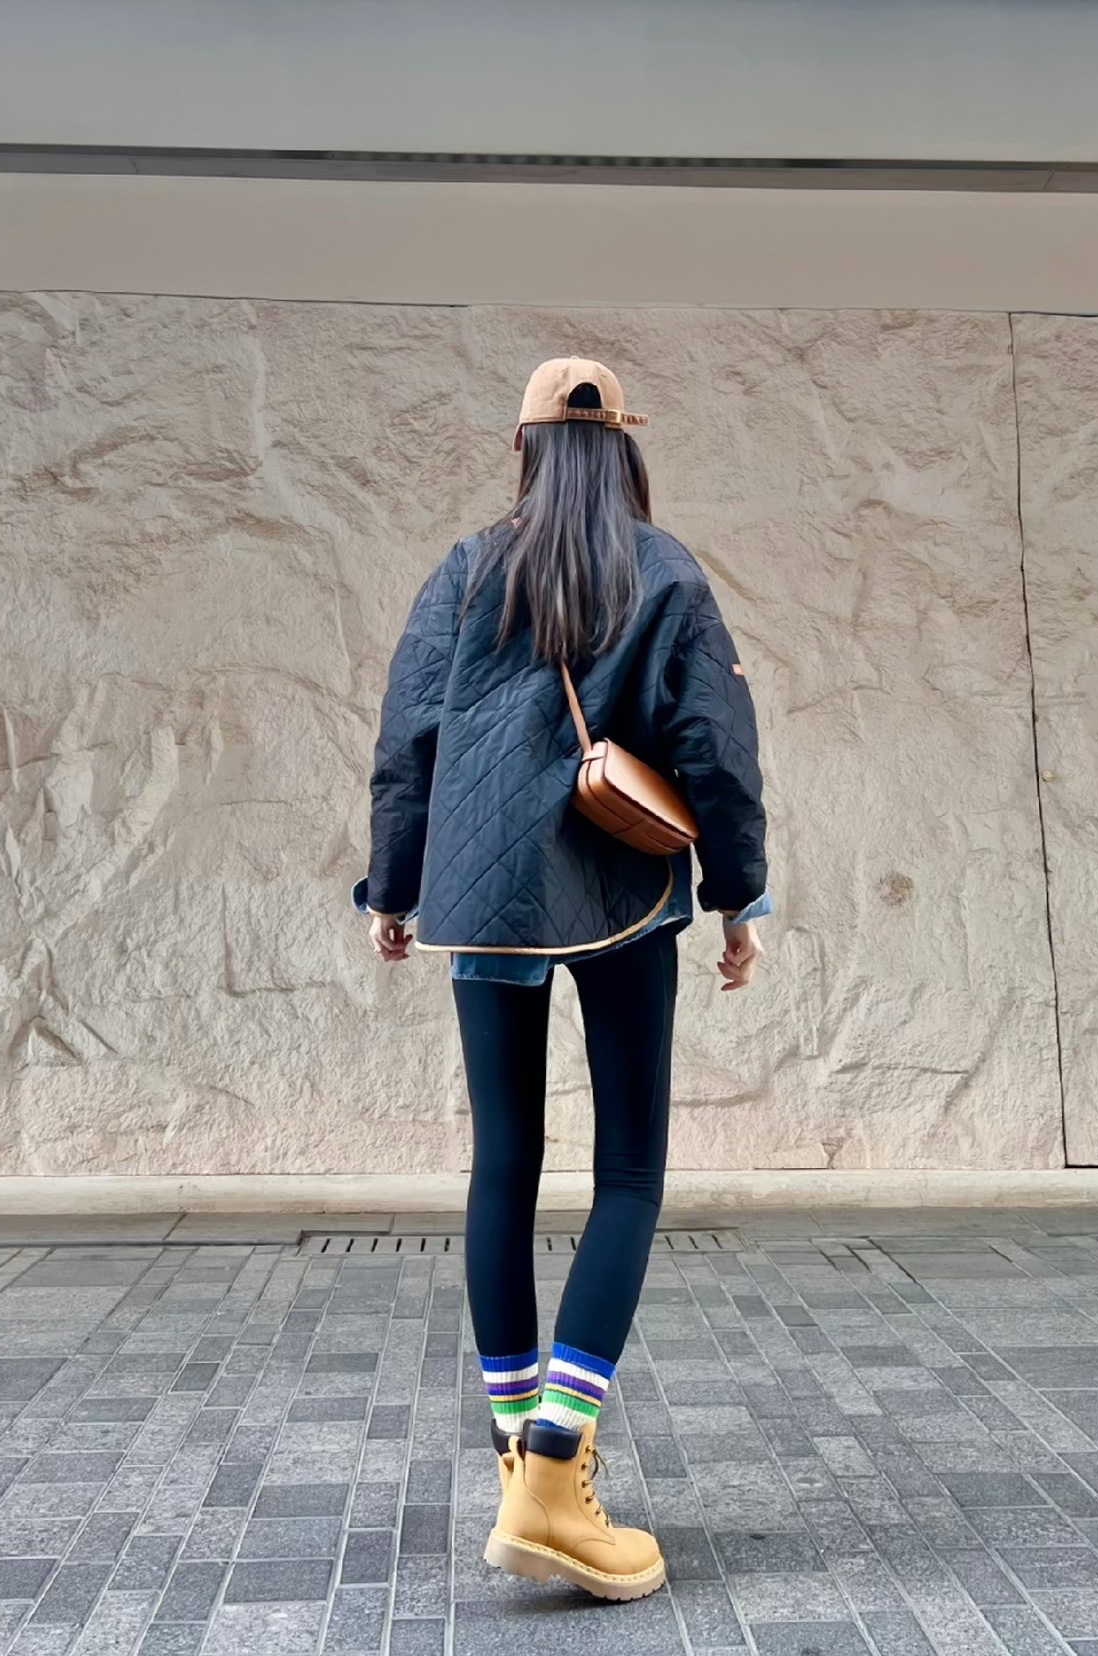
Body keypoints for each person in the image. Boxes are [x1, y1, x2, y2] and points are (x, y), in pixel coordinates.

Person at [354, 357, 769, 1601]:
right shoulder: (667, 569)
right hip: (622, 888)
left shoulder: (466, 568)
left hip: (484, 890)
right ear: (625, 448)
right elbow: (714, 743)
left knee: (505, 1162)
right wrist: (739, 894)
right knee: (629, 1171)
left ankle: (515, 1465)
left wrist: (393, 887)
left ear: (524, 449)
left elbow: (409, 733)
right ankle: (552, 1470)